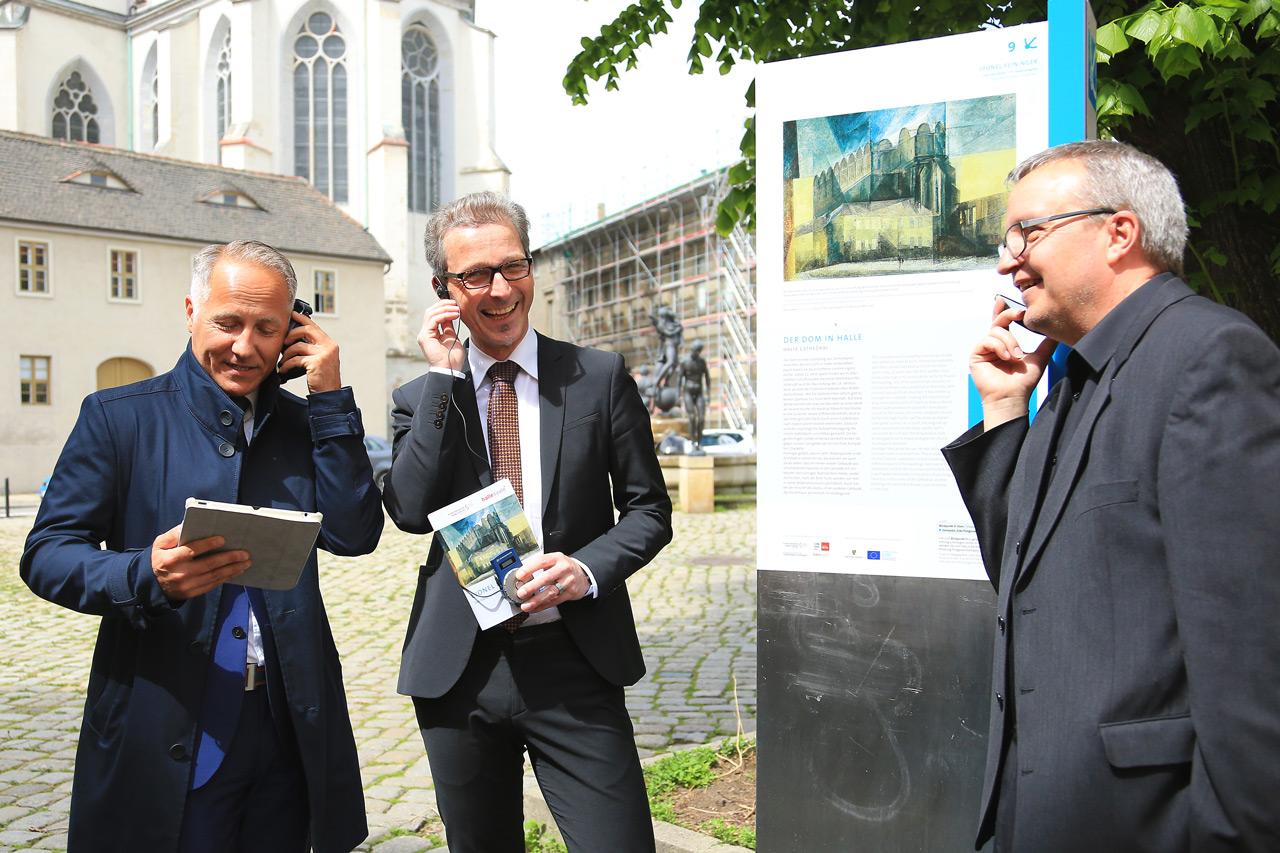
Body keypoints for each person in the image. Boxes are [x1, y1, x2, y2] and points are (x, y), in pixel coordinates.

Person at [942, 140, 1280, 851]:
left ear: (1119, 232)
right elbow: (1023, 577)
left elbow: (1251, 666)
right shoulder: (1071, 378)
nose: (1009, 260)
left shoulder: (1209, 357)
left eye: (1029, 233)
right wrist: (1006, 412)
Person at [21, 240, 384, 853]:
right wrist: (144, 574)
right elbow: (47, 552)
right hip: (170, 719)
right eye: (228, 322)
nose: (245, 346)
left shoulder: (306, 424)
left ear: (294, 330)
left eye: (268, 328)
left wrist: (329, 399)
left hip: (287, 724)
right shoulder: (118, 417)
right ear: (191, 310)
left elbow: (354, 533)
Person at [383, 191, 672, 853]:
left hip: (575, 661)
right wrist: (440, 376)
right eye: (475, 275)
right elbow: (407, 509)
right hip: (461, 671)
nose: (501, 289)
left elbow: (650, 510)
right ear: (443, 289)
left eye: (514, 266)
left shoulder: (597, 378)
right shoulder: (423, 395)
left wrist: (586, 569)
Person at [679, 339, 710, 451]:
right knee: (692, 417)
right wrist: (678, 396)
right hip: (688, 391)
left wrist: (708, 394)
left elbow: (707, 377)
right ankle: (693, 442)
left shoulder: (702, 362)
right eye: (696, 351)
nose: (697, 353)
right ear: (692, 349)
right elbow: (679, 378)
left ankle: (699, 443)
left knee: (701, 418)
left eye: (699, 351)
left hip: (699, 391)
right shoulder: (685, 362)